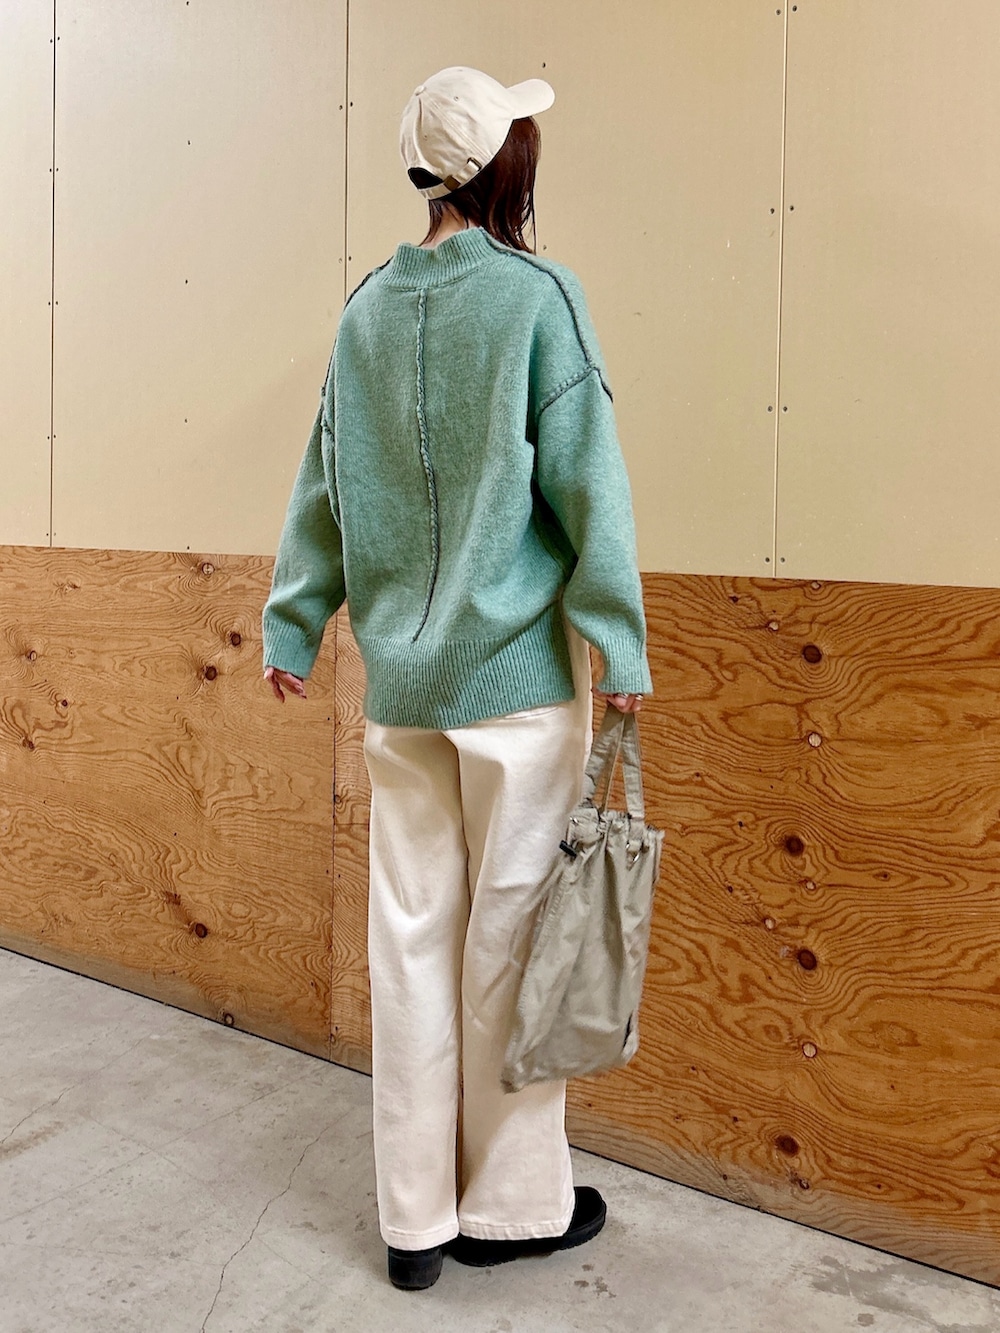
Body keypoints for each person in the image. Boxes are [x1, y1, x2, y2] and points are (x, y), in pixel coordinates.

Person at [261, 65, 652, 1292]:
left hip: (403, 689)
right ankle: (512, 1208)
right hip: (518, 687)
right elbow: (587, 478)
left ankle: (413, 1221)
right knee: (510, 945)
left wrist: (293, 624)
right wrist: (620, 638)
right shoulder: (539, 296)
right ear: (504, 165)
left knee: (409, 944)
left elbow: (323, 476)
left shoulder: (365, 309)